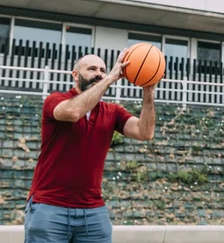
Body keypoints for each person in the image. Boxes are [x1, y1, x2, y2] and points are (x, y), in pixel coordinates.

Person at [24, 49, 158, 243]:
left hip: (93, 211)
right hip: (49, 207)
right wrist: (110, 78)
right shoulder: (56, 100)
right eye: (92, 69)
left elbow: (145, 132)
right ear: (75, 75)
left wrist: (148, 93)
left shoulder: (112, 111)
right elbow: (73, 112)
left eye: (103, 70)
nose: (99, 73)